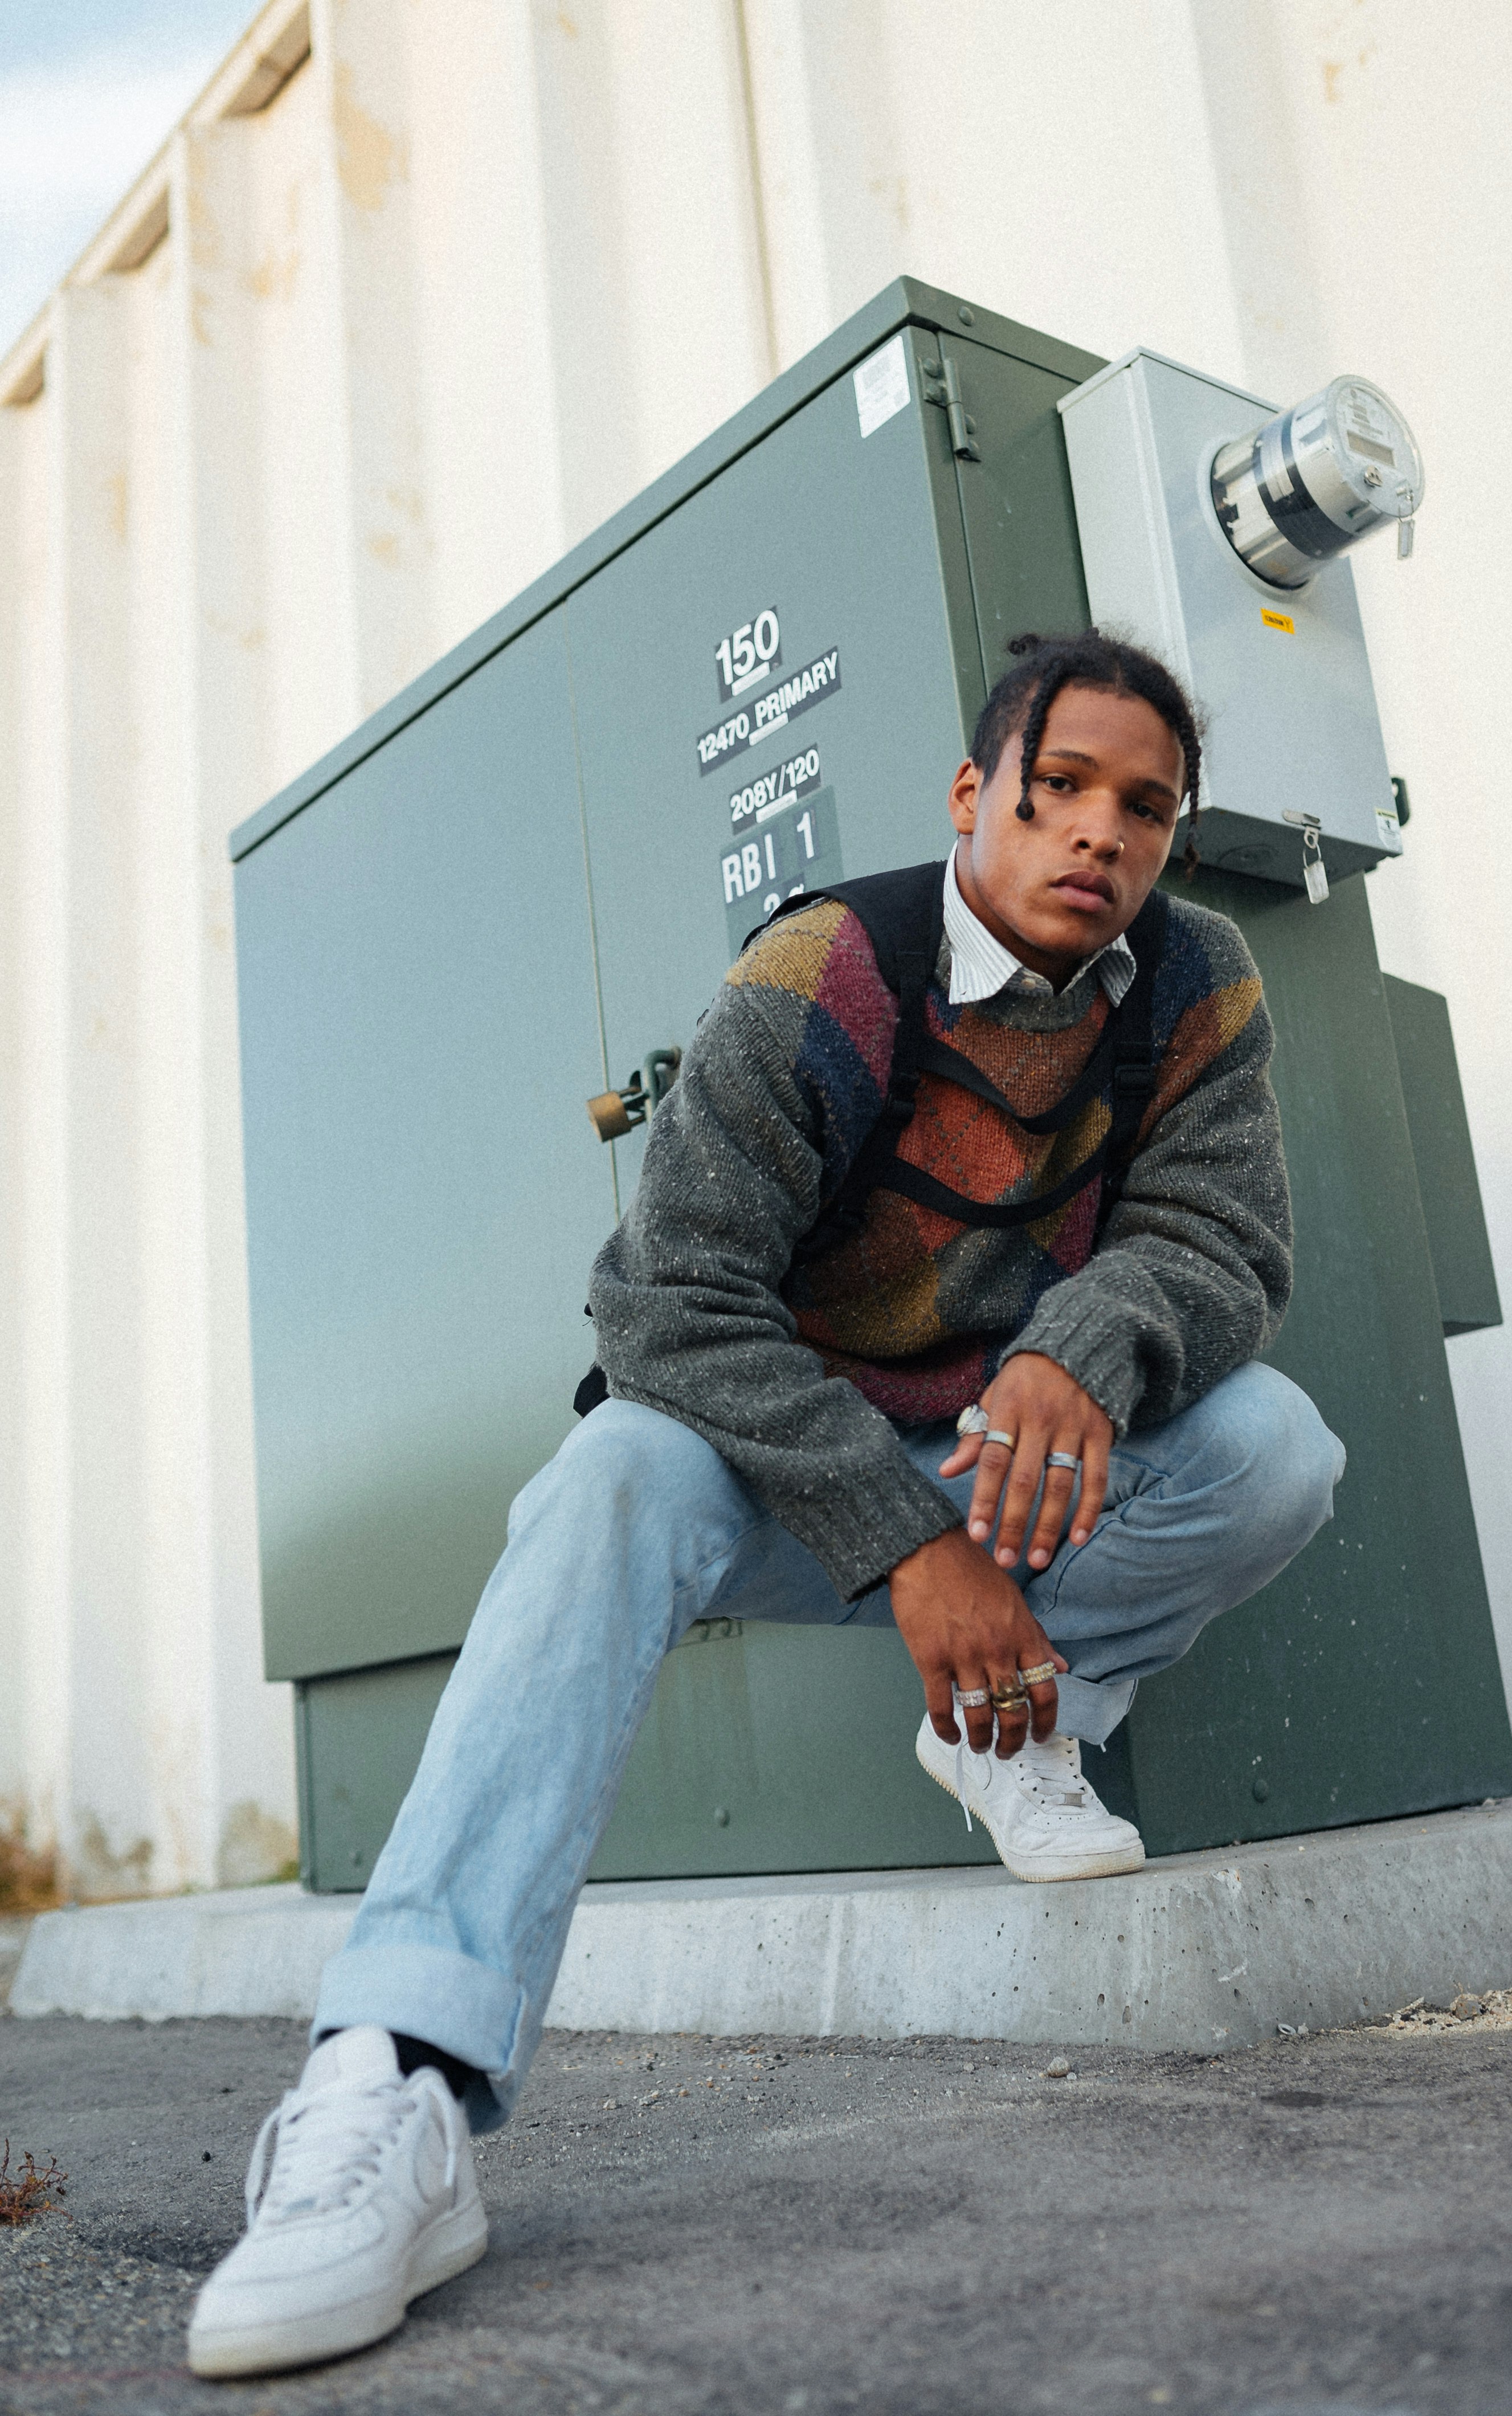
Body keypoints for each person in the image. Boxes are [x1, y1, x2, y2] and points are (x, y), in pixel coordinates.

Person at [187, 630, 1344, 2378]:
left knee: (1276, 1449)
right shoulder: (827, 976)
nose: (1100, 837)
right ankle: (397, 2086)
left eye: (1145, 810)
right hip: (787, 1476)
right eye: (1059, 791)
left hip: (1011, 1465)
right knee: (603, 1479)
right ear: (975, 798)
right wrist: (908, 1537)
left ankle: (1020, 1724)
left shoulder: (1197, 984)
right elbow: (664, 1309)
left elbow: (1224, 1247)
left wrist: (1080, 1354)